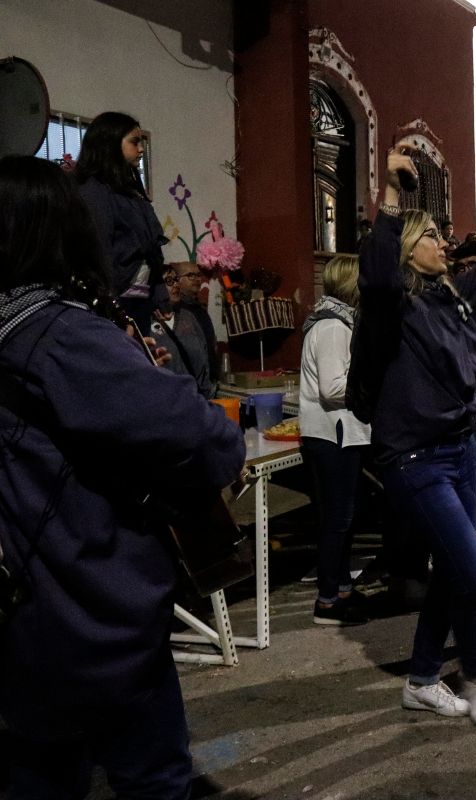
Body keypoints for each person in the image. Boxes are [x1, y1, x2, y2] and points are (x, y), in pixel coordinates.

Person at [0, 155, 245, 799]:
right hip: (92, 609)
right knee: (154, 779)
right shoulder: (58, 334)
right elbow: (198, 434)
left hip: (24, 613)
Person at [348, 145, 476, 731]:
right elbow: (376, 270)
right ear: (410, 250)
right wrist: (390, 197)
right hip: (415, 459)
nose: (443, 242)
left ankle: (423, 680)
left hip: (463, 450)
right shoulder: (395, 306)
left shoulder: (450, 296)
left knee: (456, 570)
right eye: (430, 236)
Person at [300, 255, 371, 626]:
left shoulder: (338, 322)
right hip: (334, 435)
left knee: (344, 515)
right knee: (337, 519)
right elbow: (332, 388)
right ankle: (327, 600)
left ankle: (341, 588)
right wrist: (372, 388)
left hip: (338, 434)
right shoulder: (332, 328)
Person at [74, 111, 165, 331]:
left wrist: (160, 295)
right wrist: (110, 307)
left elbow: (152, 252)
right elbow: (99, 251)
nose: (141, 149)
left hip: (140, 303)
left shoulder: (132, 191)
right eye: (134, 142)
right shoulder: (94, 190)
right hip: (114, 304)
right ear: (110, 144)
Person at [150, 264, 217, 398]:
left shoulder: (188, 317)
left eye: (176, 280)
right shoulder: (146, 322)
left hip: (196, 400)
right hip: (166, 402)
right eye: (169, 281)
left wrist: (207, 394)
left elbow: (204, 357)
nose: (176, 285)